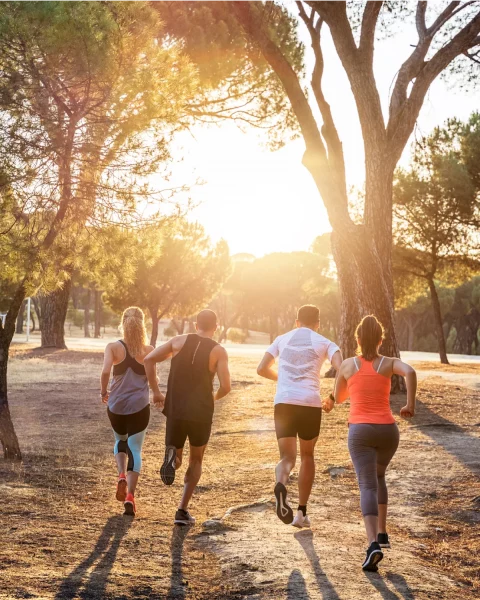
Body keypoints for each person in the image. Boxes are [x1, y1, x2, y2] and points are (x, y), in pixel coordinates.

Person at [323, 314, 417, 571]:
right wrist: (410, 404)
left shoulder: (347, 366)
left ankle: (372, 544)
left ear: (357, 338)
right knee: (379, 476)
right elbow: (410, 371)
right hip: (388, 431)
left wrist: (333, 396)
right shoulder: (388, 363)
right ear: (380, 339)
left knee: (367, 485)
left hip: (361, 431)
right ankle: (383, 533)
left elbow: (340, 398)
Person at [257, 305, 342, 528]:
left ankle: (280, 483)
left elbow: (261, 368)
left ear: (296, 322)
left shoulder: (281, 339)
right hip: (309, 404)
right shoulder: (325, 342)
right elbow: (342, 369)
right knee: (307, 456)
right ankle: (301, 513)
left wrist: (284, 380)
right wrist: (332, 397)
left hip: (284, 401)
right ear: (318, 324)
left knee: (287, 458)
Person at [144, 309, 231, 526]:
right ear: (216, 327)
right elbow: (226, 386)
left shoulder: (177, 342)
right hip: (200, 412)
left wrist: (155, 391)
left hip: (176, 408)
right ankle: (182, 510)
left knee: (178, 456)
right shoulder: (218, 351)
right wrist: (213, 397)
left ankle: (172, 462)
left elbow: (149, 359)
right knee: (196, 459)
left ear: (195, 325)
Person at [100, 307, 154, 517]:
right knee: (135, 449)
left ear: (123, 323)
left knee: (120, 441)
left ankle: (121, 474)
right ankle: (130, 496)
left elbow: (105, 371)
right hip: (139, 407)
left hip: (116, 406)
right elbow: (152, 378)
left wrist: (104, 391)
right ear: (142, 325)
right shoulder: (148, 350)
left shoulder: (113, 347)